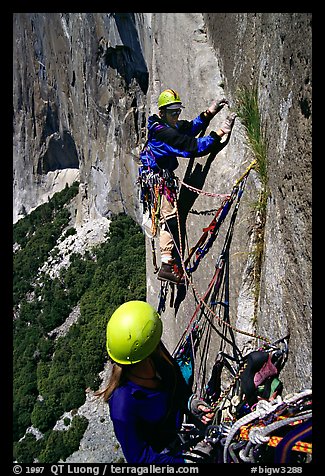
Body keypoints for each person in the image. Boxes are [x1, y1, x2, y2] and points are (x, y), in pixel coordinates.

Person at [95, 300, 216, 463]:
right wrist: (186, 462)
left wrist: (190, 402)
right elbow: (140, 459)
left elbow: (176, 383)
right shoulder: (122, 406)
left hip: (177, 434)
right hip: (165, 455)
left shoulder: (155, 354)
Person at [139, 88, 237, 284]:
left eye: (178, 112)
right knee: (169, 218)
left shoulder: (163, 125)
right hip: (157, 180)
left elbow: (188, 129)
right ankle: (166, 265)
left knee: (170, 217)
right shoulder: (163, 133)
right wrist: (219, 133)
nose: (176, 116)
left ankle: (169, 260)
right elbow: (192, 147)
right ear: (162, 113)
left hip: (157, 176)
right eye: (172, 113)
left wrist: (210, 112)